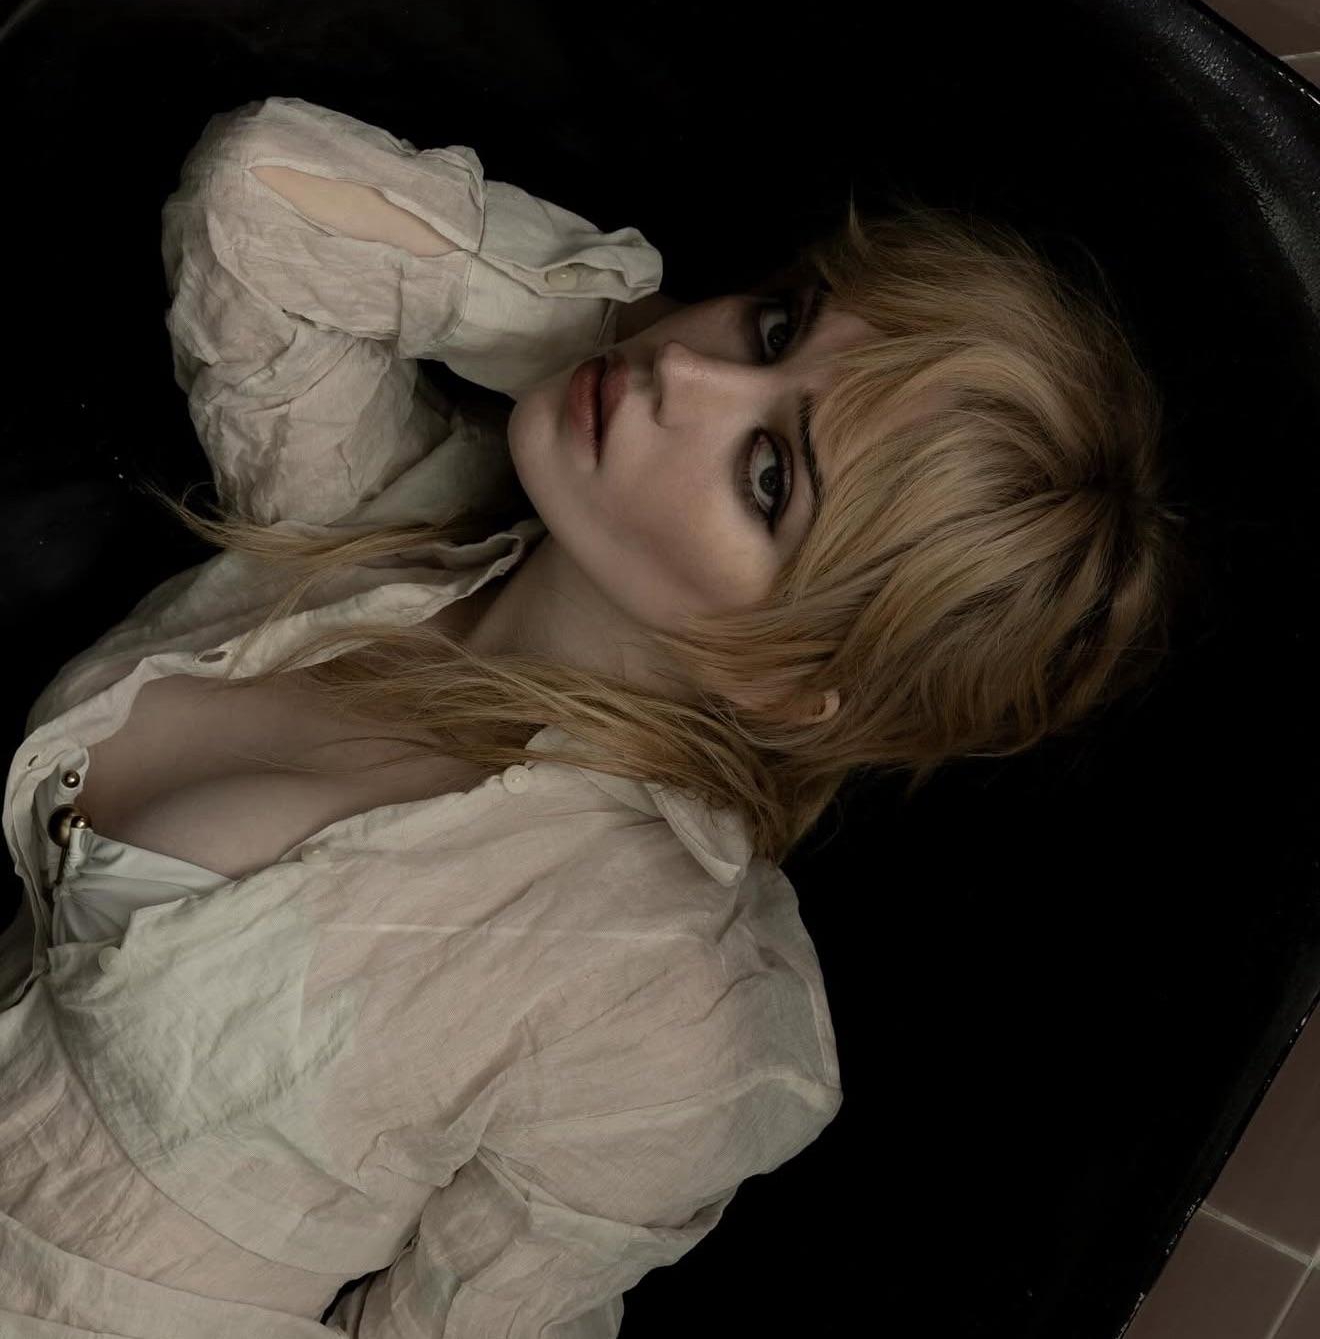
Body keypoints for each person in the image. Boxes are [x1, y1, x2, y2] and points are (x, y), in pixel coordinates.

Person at [0, 95, 1186, 1335]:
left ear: (789, 681)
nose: (690, 370)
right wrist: (610, 329)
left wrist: (646, 392)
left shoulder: (654, 990)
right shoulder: (377, 521)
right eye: (777, 325)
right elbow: (263, 194)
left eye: (769, 474)